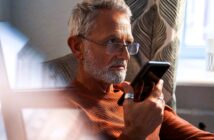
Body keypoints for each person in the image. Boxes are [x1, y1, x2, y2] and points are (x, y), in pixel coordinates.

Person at [66, 0, 214, 139]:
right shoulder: (61, 108)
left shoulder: (135, 95)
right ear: (78, 47)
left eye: (128, 44)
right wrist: (135, 132)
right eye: (112, 41)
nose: (125, 56)